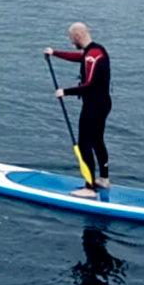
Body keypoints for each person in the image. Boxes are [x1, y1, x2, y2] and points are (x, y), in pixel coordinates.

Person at [47, 22, 111, 197]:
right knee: (97, 140)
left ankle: (89, 188)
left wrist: (65, 92)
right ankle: (104, 179)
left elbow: (89, 85)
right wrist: (55, 53)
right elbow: (79, 58)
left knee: (85, 144)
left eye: (70, 38)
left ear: (76, 36)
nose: (71, 42)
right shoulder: (97, 50)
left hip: (93, 106)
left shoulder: (91, 57)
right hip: (104, 103)